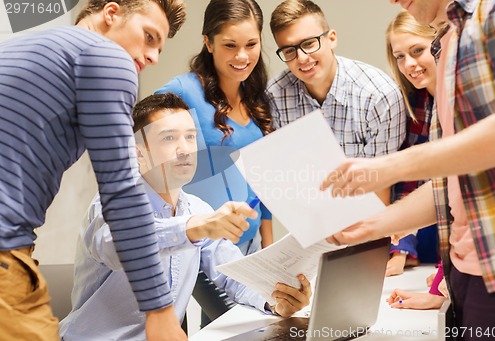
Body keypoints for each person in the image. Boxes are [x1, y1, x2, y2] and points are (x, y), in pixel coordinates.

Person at [0, 1, 188, 340]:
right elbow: (120, 193)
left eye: (159, 48)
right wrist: (160, 310)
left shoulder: (20, 49)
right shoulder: (107, 57)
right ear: (111, 13)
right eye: (148, 37)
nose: (153, 57)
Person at [59, 93, 312, 340]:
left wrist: (276, 300)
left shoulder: (197, 210)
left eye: (190, 137)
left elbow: (234, 276)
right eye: (168, 138)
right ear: (139, 153)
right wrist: (194, 228)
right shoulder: (112, 201)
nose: (185, 150)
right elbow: (120, 246)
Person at [321, 0, 495, 338]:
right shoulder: (446, 43)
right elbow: (452, 183)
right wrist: (370, 227)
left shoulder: (492, 15)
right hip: (464, 269)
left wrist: (392, 167)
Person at [155, 0, 274, 327]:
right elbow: (143, 150)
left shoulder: (256, 97)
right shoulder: (182, 91)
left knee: (240, 331)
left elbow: (260, 176)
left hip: (247, 243)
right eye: (230, 45)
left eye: (251, 44)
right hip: (199, 243)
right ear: (208, 42)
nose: (242, 56)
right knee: (242, 325)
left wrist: (268, 241)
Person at [267, 0, 407, 210]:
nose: (302, 58)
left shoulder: (380, 96)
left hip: (374, 222)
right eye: (289, 51)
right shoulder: (275, 96)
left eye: (309, 43)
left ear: (331, 39)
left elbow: (380, 190)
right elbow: (290, 183)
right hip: (313, 222)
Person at [384, 10, 441, 276]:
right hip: (427, 227)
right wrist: (403, 249)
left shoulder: (461, 99)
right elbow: (410, 180)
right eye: (400, 57)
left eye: (417, 50)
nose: (408, 64)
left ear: (438, 43)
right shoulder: (414, 104)